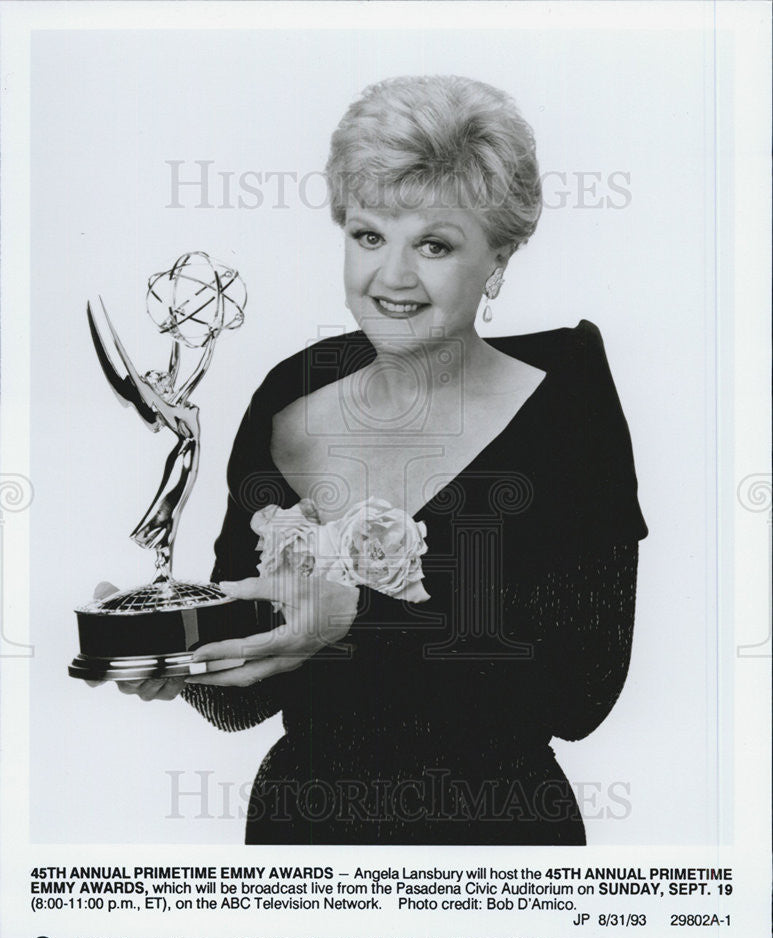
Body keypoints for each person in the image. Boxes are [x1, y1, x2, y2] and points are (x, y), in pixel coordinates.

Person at [108, 75, 648, 844]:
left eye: (434, 244)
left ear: (498, 255)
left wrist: (353, 616)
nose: (391, 278)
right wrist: (183, 654)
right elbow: (247, 705)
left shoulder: (567, 408)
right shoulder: (286, 399)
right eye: (368, 236)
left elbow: (581, 695)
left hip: (497, 838)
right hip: (301, 833)